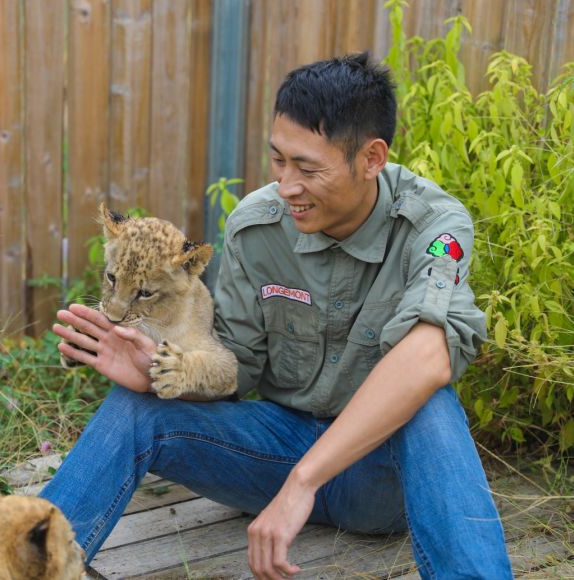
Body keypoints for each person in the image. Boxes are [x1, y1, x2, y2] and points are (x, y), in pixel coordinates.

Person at [42, 52, 513, 579]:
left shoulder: (435, 226)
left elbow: (428, 358)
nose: (287, 186)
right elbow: (237, 368)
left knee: (429, 401)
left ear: (372, 158)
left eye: (308, 168)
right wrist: (162, 373)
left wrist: (304, 482)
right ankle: (22, 564)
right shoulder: (256, 226)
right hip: (275, 454)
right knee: (135, 406)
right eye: (278, 160)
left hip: (379, 479)